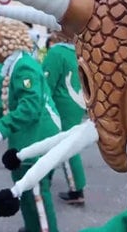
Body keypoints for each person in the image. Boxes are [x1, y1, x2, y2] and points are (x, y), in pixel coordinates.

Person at [0, 19, 61, 232]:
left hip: (35, 136)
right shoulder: (17, 62)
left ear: (6, 40)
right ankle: (32, 227)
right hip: (30, 134)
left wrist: (2, 127)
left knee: (35, 195)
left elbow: (30, 106)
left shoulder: (23, 65)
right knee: (26, 194)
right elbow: (8, 101)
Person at [42, 31, 87, 205]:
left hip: (60, 105)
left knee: (64, 147)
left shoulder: (56, 53)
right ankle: (49, 179)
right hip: (76, 103)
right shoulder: (77, 51)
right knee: (65, 145)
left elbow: (46, 84)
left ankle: (76, 190)